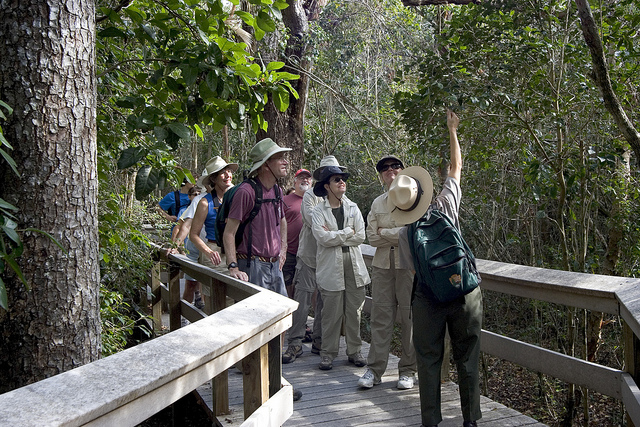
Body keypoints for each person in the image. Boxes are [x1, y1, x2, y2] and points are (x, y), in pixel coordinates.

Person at [392, 110, 482, 427]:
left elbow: (413, 271)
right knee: (467, 356)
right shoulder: (445, 205)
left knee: (429, 361)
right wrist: (452, 128)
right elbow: (456, 167)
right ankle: (470, 420)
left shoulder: (405, 233)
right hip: (463, 291)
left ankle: (431, 421)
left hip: (429, 298)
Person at [357, 155, 417, 390]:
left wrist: (387, 233)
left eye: (395, 166)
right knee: (381, 318)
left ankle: (408, 371)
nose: (390, 170)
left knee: (410, 318)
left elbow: (412, 235)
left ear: (403, 170)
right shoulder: (377, 203)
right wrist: (396, 233)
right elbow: (371, 237)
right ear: (381, 175)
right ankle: (375, 370)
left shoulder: (414, 199)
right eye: (384, 168)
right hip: (382, 267)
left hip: (408, 267)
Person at [282, 156, 346, 364]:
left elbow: (344, 224)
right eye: (328, 171)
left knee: (324, 301)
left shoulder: (341, 197)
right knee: (302, 298)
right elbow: (313, 223)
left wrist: (333, 228)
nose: (333, 176)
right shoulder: (309, 195)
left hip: (329, 258)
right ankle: (295, 343)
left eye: (335, 172)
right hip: (309, 256)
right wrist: (333, 227)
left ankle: (319, 341)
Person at [312, 166, 370, 371]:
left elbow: (361, 236)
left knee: (354, 312)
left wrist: (335, 235)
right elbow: (322, 238)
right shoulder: (318, 211)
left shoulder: (353, 208)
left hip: (354, 266)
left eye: (343, 179)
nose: (342, 183)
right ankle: (327, 354)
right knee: (331, 313)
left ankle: (355, 352)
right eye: (337, 180)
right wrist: (346, 232)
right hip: (330, 268)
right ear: (327, 186)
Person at [223, 138, 290, 296]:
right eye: (280, 158)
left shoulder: (277, 191)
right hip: (252, 265)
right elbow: (229, 232)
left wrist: (283, 249)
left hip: (275, 265)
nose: (285, 162)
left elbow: (282, 220)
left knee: (281, 315)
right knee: (256, 316)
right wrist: (233, 266)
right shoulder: (246, 192)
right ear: (266, 165)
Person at [170, 167, 214, 309]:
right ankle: (184, 319)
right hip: (195, 248)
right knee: (191, 284)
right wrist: (175, 245)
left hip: (215, 249)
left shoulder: (230, 197)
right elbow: (186, 225)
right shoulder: (199, 200)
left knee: (212, 287)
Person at [190, 156, 239, 272]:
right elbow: (193, 234)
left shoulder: (238, 197)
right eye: (222, 173)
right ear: (213, 179)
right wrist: (208, 252)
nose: (228, 176)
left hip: (237, 252)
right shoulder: (205, 203)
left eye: (229, 171)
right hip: (215, 253)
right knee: (213, 289)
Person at [282, 168, 312, 298]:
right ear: (294, 182)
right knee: (287, 284)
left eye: (308, 178)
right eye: (301, 177)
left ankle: (301, 317)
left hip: (308, 253)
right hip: (289, 251)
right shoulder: (285, 200)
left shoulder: (317, 201)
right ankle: (287, 315)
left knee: (306, 287)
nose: (305, 180)